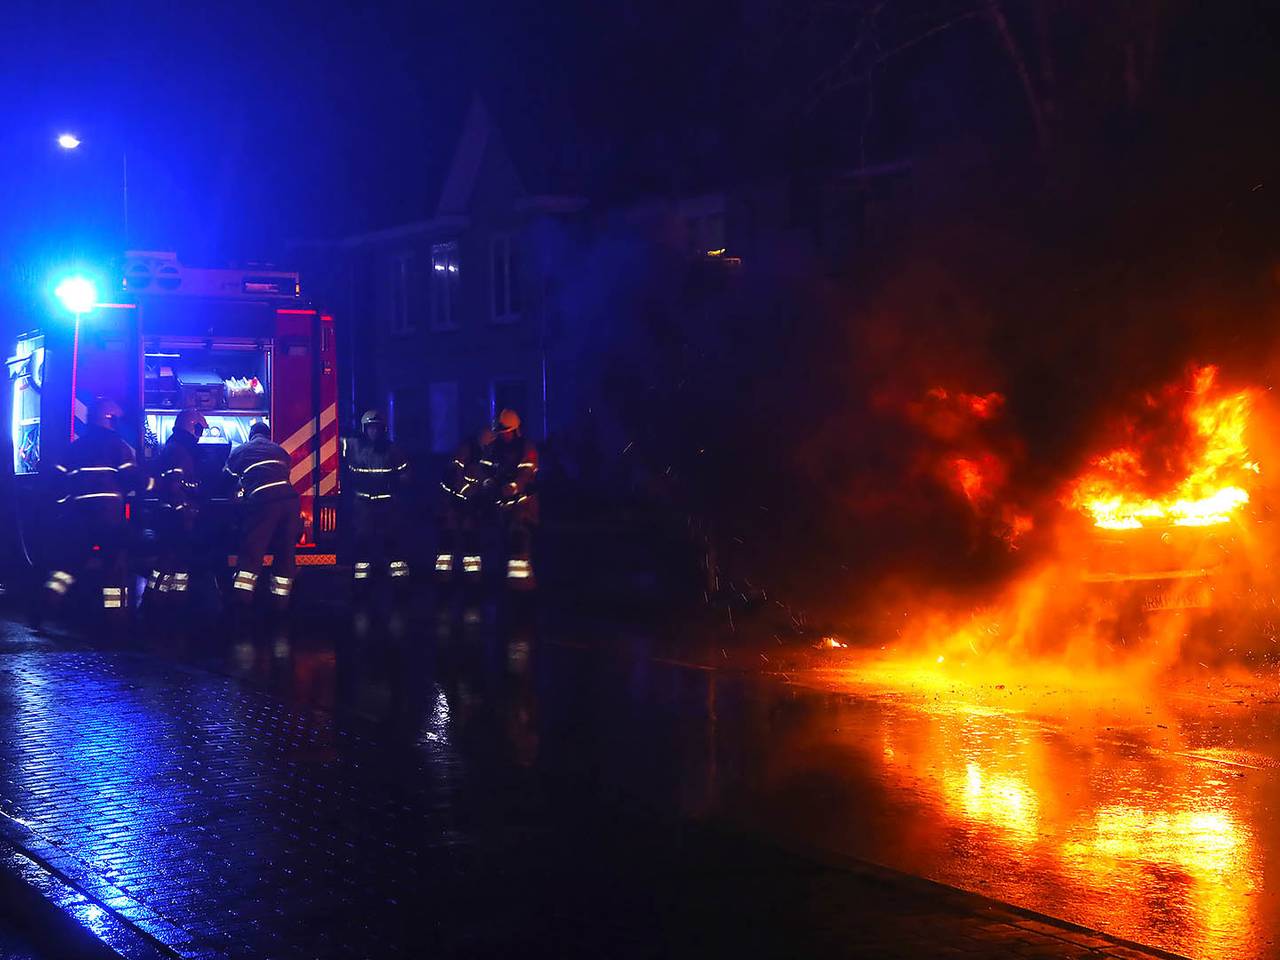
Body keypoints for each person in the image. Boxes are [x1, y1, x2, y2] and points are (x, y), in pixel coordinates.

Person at [43, 398, 148, 619]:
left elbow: (57, 480)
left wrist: (62, 507)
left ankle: (43, 608)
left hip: (79, 519)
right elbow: (133, 478)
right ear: (111, 420)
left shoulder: (75, 447)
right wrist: (154, 484)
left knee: (68, 567)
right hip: (109, 520)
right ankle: (115, 620)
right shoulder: (117, 446)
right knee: (114, 569)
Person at [223, 422, 301, 608]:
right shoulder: (279, 450)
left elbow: (227, 478)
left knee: (252, 552)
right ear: (268, 435)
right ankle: (280, 603)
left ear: (251, 435)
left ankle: (241, 604)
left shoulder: (241, 450)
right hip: (290, 502)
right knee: (285, 552)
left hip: (264, 502)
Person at [343, 409, 412, 597]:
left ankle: (399, 584)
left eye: (377, 428)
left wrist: (398, 483)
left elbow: (405, 475)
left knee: (393, 543)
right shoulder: (352, 446)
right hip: (362, 504)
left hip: (388, 504)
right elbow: (332, 442)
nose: (374, 432)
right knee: (362, 543)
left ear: (383, 429)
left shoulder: (394, 450)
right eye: (370, 428)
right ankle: (361, 584)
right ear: (364, 429)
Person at [149, 408, 208, 607]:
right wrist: (185, 509)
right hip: (176, 516)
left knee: (179, 560)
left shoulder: (175, 447)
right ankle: (153, 600)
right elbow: (176, 484)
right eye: (199, 430)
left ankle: (174, 600)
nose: (200, 435)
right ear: (192, 427)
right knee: (168, 560)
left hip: (173, 513)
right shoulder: (180, 451)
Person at [435, 426, 494, 583]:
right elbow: (458, 479)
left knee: (469, 544)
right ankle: (448, 582)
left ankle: (469, 582)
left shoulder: (483, 455)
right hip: (455, 505)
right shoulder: (469, 455)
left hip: (466, 506)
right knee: (451, 543)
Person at [489, 409, 539, 589]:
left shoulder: (527, 447)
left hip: (523, 506)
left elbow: (526, 473)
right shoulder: (496, 448)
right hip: (503, 507)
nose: (504, 437)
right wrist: (489, 482)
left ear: (515, 430)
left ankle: (524, 589)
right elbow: (488, 468)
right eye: (501, 433)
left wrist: (513, 486)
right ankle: (508, 588)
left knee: (520, 548)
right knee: (504, 549)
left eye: (506, 433)